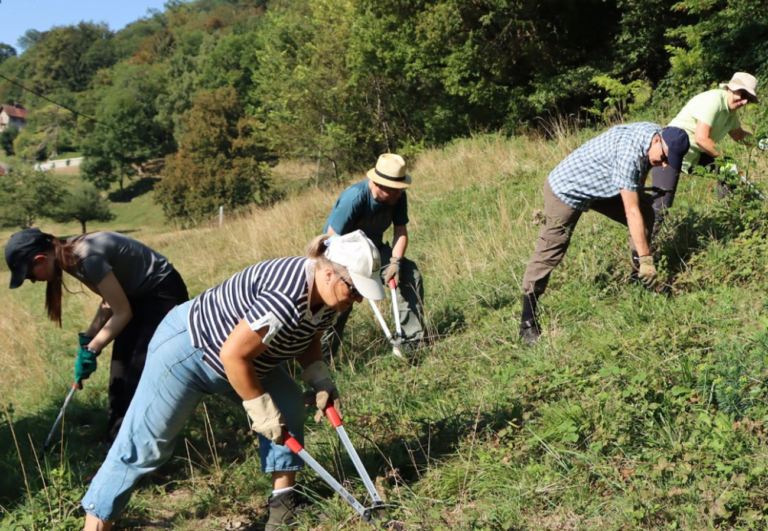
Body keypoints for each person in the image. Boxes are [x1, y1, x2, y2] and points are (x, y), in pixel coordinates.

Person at [79, 230, 385, 531]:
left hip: (245, 359)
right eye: (355, 290)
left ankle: (283, 507)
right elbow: (233, 356)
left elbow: (309, 333)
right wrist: (261, 410)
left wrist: (318, 376)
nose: (357, 300)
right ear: (330, 273)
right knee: (144, 446)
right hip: (189, 351)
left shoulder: (331, 296)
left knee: (288, 402)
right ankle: (96, 521)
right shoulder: (286, 298)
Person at [4, 229, 188, 444]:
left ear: (41, 259)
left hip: (162, 294)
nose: (33, 281)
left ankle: (142, 451)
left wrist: (93, 349)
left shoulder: (87, 256)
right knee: (118, 376)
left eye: (29, 275)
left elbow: (122, 312)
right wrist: (88, 339)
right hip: (134, 298)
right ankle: (115, 445)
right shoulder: (68, 258)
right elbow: (109, 301)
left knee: (138, 377)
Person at [519, 123, 690, 344]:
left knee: (647, 214)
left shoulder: (656, 136)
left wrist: (638, 192)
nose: (664, 164)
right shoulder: (630, 151)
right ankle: (527, 322)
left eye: (669, 161)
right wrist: (648, 258)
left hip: (603, 186)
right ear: (657, 141)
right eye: (664, 157)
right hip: (567, 189)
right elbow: (631, 211)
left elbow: (638, 182)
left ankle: (638, 279)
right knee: (552, 248)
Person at [323, 153, 425, 358]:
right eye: (395, 190)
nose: (399, 194)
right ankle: (323, 360)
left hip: (375, 251)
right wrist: (348, 272)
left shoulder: (398, 197)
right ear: (380, 185)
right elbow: (330, 240)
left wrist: (395, 262)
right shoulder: (354, 198)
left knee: (409, 274)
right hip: (342, 257)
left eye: (401, 189)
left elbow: (400, 232)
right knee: (339, 302)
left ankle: (412, 343)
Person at [652, 72, 759, 233]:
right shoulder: (714, 100)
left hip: (692, 153)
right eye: (742, 94)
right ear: (731, 88)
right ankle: (642, 252)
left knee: (728, 174)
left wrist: (761, 142)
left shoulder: (730, 113)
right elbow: (702, 138)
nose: (744, 101)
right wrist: (725, 160)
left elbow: (738, 135)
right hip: (670, 147)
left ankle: (730, 221)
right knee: (662, 203)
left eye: (748, 99)